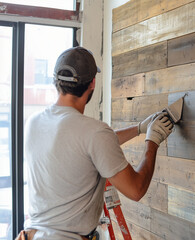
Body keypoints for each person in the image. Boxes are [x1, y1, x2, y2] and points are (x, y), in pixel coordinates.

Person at [18, 46, 173, 240]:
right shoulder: (95, 133)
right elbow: (136, 190)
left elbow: (82, 148)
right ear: (92, 83)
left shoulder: (34, 122)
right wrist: (153, 140)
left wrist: (139, 128)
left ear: (55, 81)